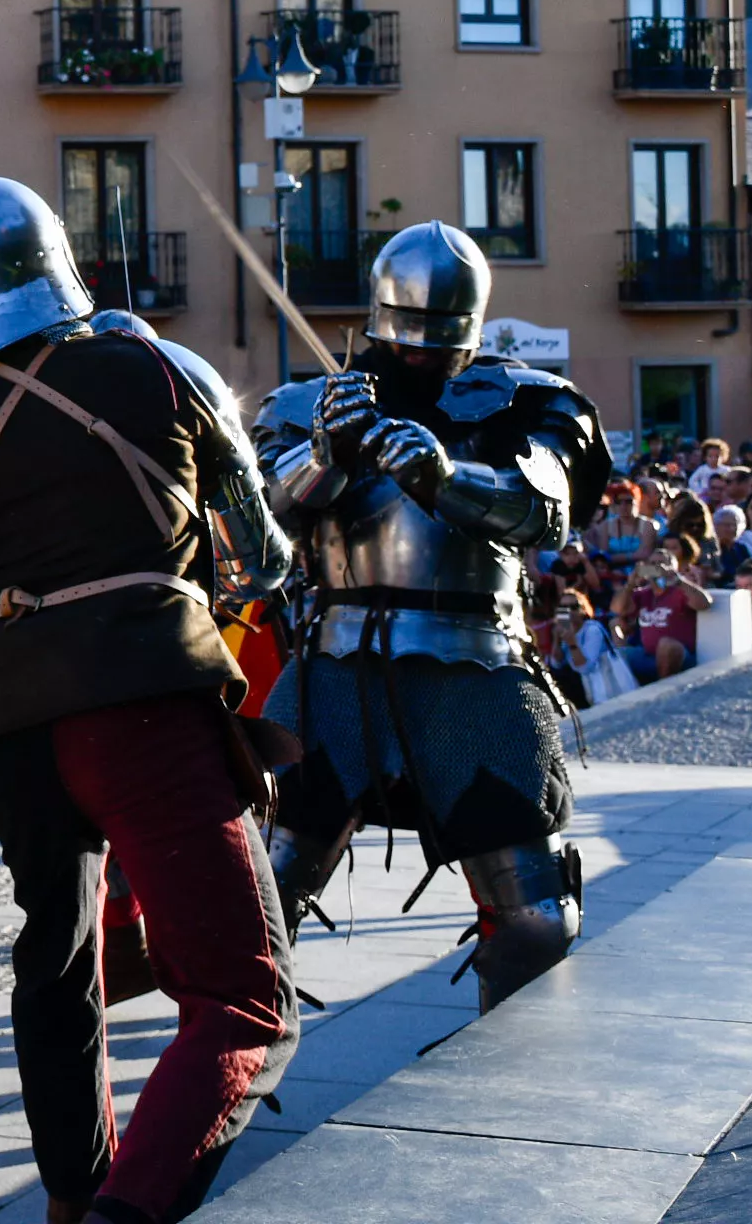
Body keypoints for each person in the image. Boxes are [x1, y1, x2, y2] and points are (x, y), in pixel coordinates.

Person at [0, 179, 299, 1224]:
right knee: (245, 999)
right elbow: (266, 563)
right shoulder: (161, 365)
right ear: (56, 254)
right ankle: (129, 1211)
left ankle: (73, 1196)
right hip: (143, 701)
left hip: (13, 726)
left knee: (59, 957)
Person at [255, 222, 612, 1012]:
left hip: (477, 662)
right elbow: (268, 519)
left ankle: (495, 1081)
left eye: (438, 343)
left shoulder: (529, 399)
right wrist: (326, 456)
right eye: (408, 339)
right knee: (256, 893)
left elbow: (545, 510)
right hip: (335, 666)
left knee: (536, 920)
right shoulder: (310, 403)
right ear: (380, 318)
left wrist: (446, 476)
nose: (421, 356)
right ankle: (240, 1052)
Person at [614, 539, 708, 682]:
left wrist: (678, 580)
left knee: (666, 645)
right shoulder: (643, 594)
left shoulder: (681, 591)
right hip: (648, 655)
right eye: (652, 564)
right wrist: (630, 584)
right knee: (613, 656)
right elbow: (617, 609)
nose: (657, 567)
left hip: (680, 657)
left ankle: (662, 691)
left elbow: (704, 603)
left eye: (662, 564)